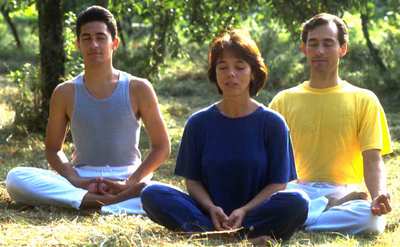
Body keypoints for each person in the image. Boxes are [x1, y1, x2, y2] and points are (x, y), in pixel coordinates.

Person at [140, 29, 309, 244]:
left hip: (254, 214)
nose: (231, 74)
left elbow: (278, 184)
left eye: (239, 67)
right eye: (223, 67)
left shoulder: (273, 123)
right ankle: (235, 236)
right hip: (207, 214)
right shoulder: (198, 123)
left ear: (254, 73)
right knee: (152, 193)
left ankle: (216, 234)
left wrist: (245, 211)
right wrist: (211, 208)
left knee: (297, 201)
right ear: (215, 74)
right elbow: (192, 180)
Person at [6, 5, 170, 214]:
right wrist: (74, 179)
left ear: (114, 43)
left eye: (101, 37)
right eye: (86, 38)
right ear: (78, 44)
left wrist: (131, 182)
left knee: (160, 194)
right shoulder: (65, 92)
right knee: (16, 178)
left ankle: (94, 201)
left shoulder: (139, 88)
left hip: (127, 177)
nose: (93, 44)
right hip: (81, 180)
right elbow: (53, 149)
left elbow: (162, 147)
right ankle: (114, 202)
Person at [269, 13, 392, 234]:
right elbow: (267, 159)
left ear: (343, 48)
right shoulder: (283, 100)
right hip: (295, 190)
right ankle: (319, 208)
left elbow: (373, 160)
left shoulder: (364, 99)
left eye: (328, 43)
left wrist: (377, 196)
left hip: (343, 193)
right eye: (313, 44)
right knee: (282, 202)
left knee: (371, 220)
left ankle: (294, 221)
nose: (320, 51)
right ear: (303, 49)